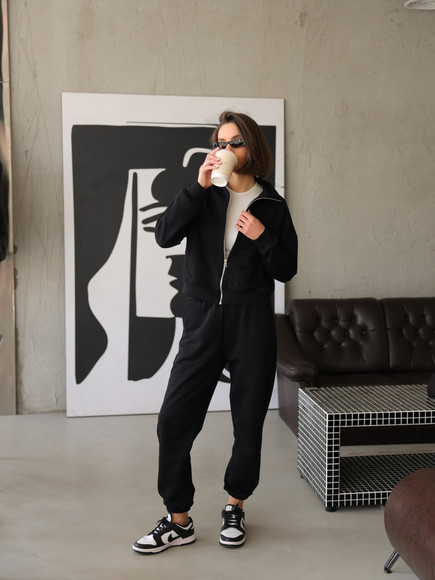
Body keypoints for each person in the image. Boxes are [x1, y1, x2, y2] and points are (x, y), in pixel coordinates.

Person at [132, 111, 298, 554]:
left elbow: (286, 268)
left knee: (248, 422)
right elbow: (164, 235)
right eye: (219, 143)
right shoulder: (202, 195)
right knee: (174, 419)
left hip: (252, 322)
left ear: (252, 148)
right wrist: (198, 186)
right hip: (202, 317)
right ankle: (178, 520)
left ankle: (235, 505)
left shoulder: (273, 206)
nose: (225, 150)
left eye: (234, 142)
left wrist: (262, 237)